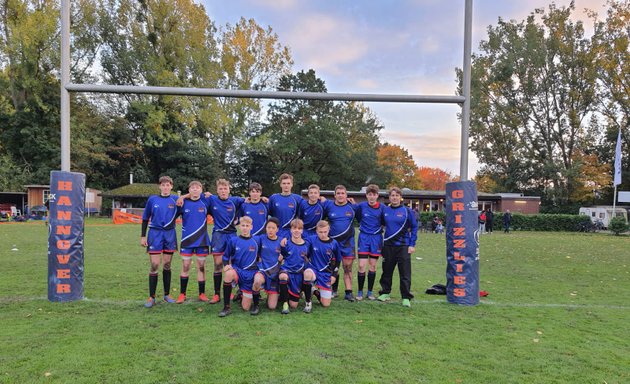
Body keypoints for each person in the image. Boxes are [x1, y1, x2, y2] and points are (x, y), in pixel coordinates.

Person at [140, 176, 179, 308]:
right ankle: (152, 297)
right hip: (155, 234)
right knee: (155, 265)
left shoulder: (175, 199)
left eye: (168, 185)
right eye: (163, 185)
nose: (165, 187)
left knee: (167, 264)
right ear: (160, 186)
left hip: (170, 234)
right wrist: (143, 236)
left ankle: (167, 294)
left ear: (171, 186)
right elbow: (145, 218)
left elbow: (190, 198)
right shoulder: (153, 199)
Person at [206, 179, 245, 304]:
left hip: (232, 235)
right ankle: (217, 294)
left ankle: (233, 292)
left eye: (225, 188)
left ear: (229, 189)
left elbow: (251, 199)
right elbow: (195, 195)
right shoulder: (211, 200)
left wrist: (264, 199)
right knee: (218, 264)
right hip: (218, 235)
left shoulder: (235, 201)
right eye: (221, 189)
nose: (223, 191)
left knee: (233, 264)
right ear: (217, 190)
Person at [378, 186, 418, 307]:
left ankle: (406, 297)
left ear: (400, 197)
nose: (394, 198)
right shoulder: (385, 210)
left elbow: (415, 227)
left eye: (396, 195)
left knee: (405, 273)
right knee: (387, 271)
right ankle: (385, 292)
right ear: (389, 197)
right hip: (388, 246)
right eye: (392, 196)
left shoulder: (407, 211)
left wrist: (412, 244)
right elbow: (382, 225)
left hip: (403, 246)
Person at [175, 180, 212, 304]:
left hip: (202, 240)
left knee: (201, 267)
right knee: (185, 266)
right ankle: (182, 294)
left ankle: (202, 293)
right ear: (189, 190)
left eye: (198, 187)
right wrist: (182, 196)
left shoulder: (206, 201)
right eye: (193, 188)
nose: (195, 189)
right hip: (187, 240)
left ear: (201, 190)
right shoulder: (183, 203)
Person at [322, 185, 358, 301]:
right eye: (338, 193)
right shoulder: (328, 205)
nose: (341, 195)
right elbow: (316, 203)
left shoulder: (353, 207)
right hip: (333, 243)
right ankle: (334, 290)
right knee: (333, 267)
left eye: (343, 193)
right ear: (335, 195)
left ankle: (348, 292)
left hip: (348, 242)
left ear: (346, 195)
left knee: (347, 267)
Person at [218, 216, 259, 317]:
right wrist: (226, 265)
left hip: (250, 273)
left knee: (246, 308)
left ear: (251, 227)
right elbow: (226, 256)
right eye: (243, 225)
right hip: (237, 270)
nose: (245, 228)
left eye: (247, 226)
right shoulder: (233, 240)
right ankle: (226, 307)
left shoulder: (257, 240)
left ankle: (241, 293)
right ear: (239, 227)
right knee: (228, 274)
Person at [354, 184, 384, 301]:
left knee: (372, 265)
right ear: (366, 196)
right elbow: (356, 215)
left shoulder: (382, 208)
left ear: (377, 196)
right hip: (364, 238)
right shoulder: (361, 206)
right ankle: (360, 292)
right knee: (361, 265)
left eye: (374, 195)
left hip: (376, 239)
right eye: (369, 195)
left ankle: (370, 292)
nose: (372, 197)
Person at [279, 219, 313, 314]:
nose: (297, 230)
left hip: (299, 274)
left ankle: (308, 300)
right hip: (287, 272)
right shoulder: (286, 243)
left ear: (302, 230)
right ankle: (285, 304)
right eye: (294, 228)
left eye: (299, 228)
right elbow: (282, 257)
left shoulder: (306, 244)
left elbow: (308, 257)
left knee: (294, 305)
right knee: (282, 276)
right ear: (291, 230)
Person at [306, 220, 341, 308]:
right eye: (320, 232)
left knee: (325, 304)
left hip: (325, 273)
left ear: (329, 230)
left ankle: (314, 291)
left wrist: (334, 275)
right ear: (316, 231)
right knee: (307, 274)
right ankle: (308, 300)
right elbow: (299, 242)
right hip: (313, 270)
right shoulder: (311, 239)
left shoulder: (334, 243)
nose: (323, 234)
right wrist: (285, 240)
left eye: (325, 232)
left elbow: (338, 261)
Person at [251, 218, 283, 315]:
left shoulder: (282, 241)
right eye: (268, 227)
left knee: (272, 307)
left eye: (273, 228)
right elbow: (249, 239)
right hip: (263, 271)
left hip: (274, 274)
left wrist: (283, 257)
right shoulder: (261, 238)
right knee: (257, 281)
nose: (270, 230)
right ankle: (256, 305)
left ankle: (276, 295)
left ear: (277, 229)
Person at [268, 173, 303, 240]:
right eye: (284, 183)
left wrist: (321, 198)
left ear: (292, 184)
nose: (286, 185)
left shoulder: (298, 199)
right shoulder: (273, 198)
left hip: (291, 232)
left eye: (288, 183)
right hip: (276, 231)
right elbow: (266, 212)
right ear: (280, 184)